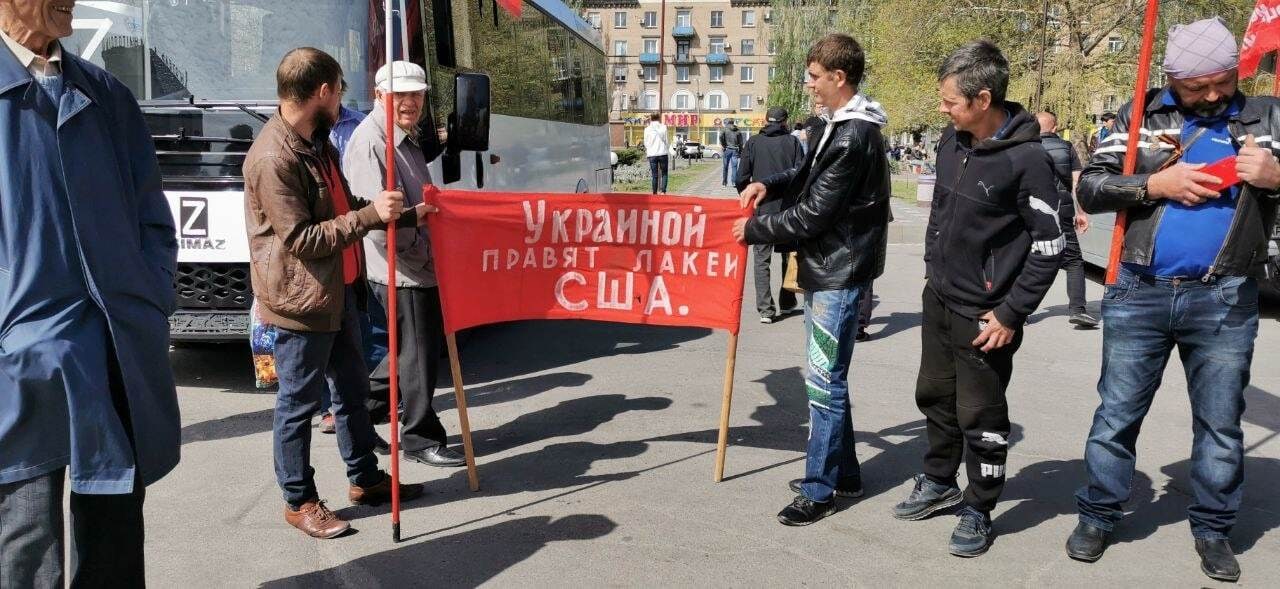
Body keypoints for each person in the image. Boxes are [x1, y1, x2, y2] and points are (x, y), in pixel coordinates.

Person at [1067, 18, 1280, 583]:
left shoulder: (1267, 116)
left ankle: (1213, 527)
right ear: (1172, 78)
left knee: (1219, 422)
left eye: (1224, 81)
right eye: (1197, 86)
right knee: (1116, 414)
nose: (1213, 94)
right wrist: (1152, 186)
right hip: (1140, 291)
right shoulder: (1139, 114)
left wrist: (1277, 173)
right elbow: (1090, 185)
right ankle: (1100, 513)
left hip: (1226, 296)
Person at [0, 2, 181, 584]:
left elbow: (153, 217)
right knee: (26, 546)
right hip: (19, 366)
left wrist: (151, 300)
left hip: (114, 354)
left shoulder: (105, 95)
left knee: (115, 539)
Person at [244, 47, 428, 539]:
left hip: (339, 292)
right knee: (298, 406)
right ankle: (299, 500)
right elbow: (302, 238)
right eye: (340, 89)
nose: (343, 99)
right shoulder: (273, 155)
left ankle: (364, 479)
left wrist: (402, 214)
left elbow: (346, 206)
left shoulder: (317, 140)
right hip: (301, 304)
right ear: (323, 91)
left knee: (350, 394)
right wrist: (371, 217)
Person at [892, 40, 1063, 558]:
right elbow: (941, 211)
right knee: (933, 396)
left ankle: (979, 506)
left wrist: (1011, 313)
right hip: (939, 299)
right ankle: (939, 481)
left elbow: (1050, 245)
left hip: (986, 317)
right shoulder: (952, 140)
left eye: (950, 101)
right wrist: (930, 270)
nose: (942, 108)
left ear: (982, 98)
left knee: (981, 415)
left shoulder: (1028, 161)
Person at [732, 33, 891, 527]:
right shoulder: (838, 126)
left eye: (815, 76)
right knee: (826, 378)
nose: (808, 84)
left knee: (824, 383)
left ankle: (820, 488)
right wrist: (767, 182)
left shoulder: (853, 134)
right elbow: (806, 175)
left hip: (837, 272)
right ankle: (843, 474)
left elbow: (814, 215)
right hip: (830, 268)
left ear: (839, 78)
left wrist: (754, 228)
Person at [343, 60, 466, 469]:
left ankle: (355, 410)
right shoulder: (372, 142)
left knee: (403, 353)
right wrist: (418, 245)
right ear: (380, 95)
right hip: (402, 265)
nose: (410, 102)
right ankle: (418, 437)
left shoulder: (403, 137)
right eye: (401, 94)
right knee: (417, 354)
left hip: (417, 258)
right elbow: (372, 218)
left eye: (416, 94)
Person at [734, 106, 805, 324]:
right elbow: (801, 174)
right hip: (787, 209)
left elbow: (741, 176)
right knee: (789, 256)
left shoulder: (753, 142)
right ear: (785, 121)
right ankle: (787, 300)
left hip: (761, 207)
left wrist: (748, 195)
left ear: (765, 120)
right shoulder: (793, 143)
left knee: (761, 259)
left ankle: (765, 309)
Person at [1036, 111, 1097, 328]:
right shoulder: (1066, 147)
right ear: (1055, 128)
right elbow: (1077, 182)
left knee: (1025, 258)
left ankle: (1019, 310)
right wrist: (1081, 212)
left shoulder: (1026, 147)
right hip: (1061, 211)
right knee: (1073, 260)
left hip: (1030, 212)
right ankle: (1078, 309)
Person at [643, 113, 669, 194]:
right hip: (663, 153)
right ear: (659, 118)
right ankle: (663, 192)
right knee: (664, 173)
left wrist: (650, 149)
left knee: (654, 175)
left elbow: (646, 143)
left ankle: (654, 193)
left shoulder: (647, 129)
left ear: (651, 118)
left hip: (652, 154)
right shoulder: (663, 127)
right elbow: (667, 141)